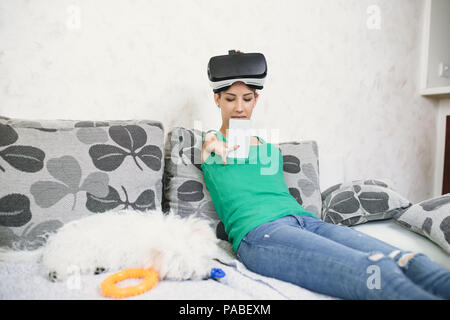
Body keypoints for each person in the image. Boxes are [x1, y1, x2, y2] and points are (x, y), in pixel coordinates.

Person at [201, 51, 450, 300]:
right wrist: (215, 141)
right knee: (374, 270)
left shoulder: (270, 150)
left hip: (308, 222)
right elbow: (209, 143)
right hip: (261, 233)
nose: (239, 107)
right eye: (230, 99)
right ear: (217, 100)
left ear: (256, 99)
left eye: (247, 98)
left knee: (409, 260)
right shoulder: (212, 145)